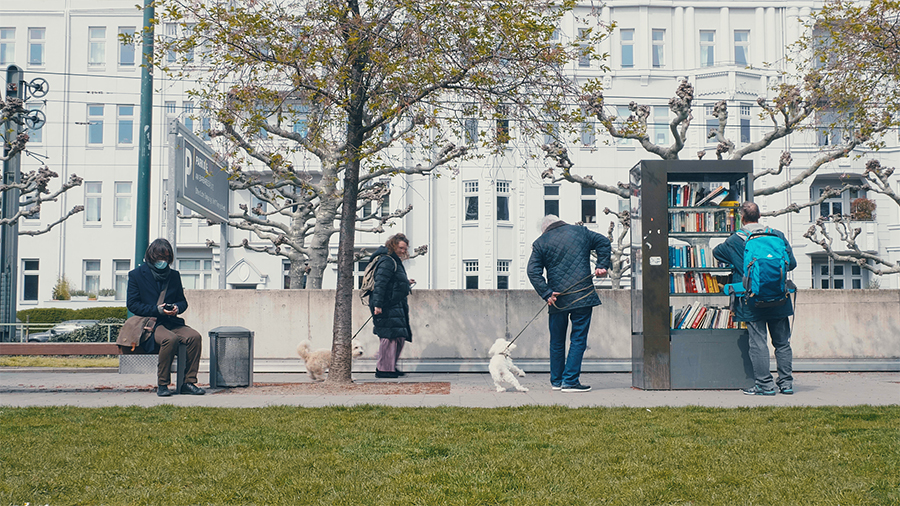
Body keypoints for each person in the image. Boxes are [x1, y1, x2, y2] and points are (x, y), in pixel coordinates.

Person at [713, 201, 797, 396]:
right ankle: (786, 384)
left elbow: (717, 252)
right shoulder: (777, 235)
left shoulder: (735, 240)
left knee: (758, 343)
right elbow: (791, 264)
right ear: (759, 216)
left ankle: (764, 385)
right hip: (779, 297)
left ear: (741, 217)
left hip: (751, 299)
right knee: (782, 343)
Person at [527, 215, 611, 393]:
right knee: (578, 339)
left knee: (557, 341)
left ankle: (557, 381)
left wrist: (546, 293)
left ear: (545, 228)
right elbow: (604, 242)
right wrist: (601, 265)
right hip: (582, 296)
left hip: (556, 299)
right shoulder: (580, 232)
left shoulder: (540, 242)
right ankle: (570, 381)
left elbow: (532, 271)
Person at [125, 238, 205, 397]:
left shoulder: (174, 275)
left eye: (167, 258)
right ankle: (163, 384)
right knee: (170, 339)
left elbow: (183, 301)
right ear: (151, 256)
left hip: (172, 321)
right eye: (160, 257)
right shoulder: (136, 275)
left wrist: (176, 308)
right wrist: (157, 310)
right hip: (150, 323)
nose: (163, 261)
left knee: (194, 337)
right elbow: (133, 305)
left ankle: (188, 382)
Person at [369, 233, 415, 379]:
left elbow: (392, 281)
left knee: (399, 336)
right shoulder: (387, 261)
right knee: (388, 337)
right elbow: (380, 284)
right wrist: (378, 305)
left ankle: (390, 366)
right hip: (386, 305)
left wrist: (405, 282)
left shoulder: (394, 260)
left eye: (405, 248)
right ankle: (383, 369)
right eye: (401, 248)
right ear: (393, 245)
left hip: (396, 304)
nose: (403, 251)